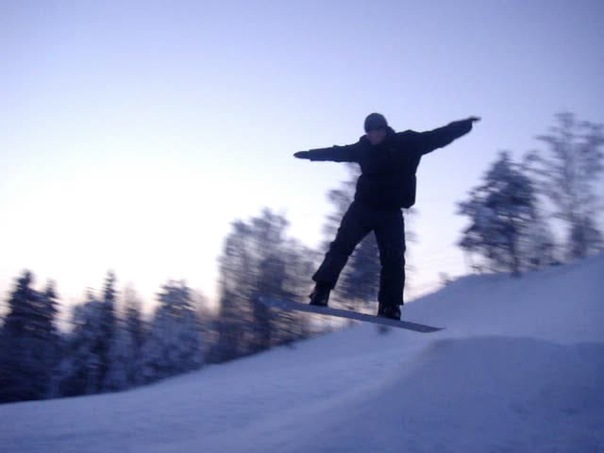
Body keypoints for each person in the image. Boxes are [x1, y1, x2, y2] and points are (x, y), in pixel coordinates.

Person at [294, 113, 480, 320]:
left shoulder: (408, 142)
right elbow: (337, 152)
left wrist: (464, 125)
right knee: (340, 247)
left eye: (376, 132)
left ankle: (390, 306)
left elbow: (438, 136)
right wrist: (310, 154)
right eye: (369, 133)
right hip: (362, 208)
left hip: (391, 212)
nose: (372, 136)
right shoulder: (363, 147)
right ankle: (321, 291)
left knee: (393, 258)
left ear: (384, 129)